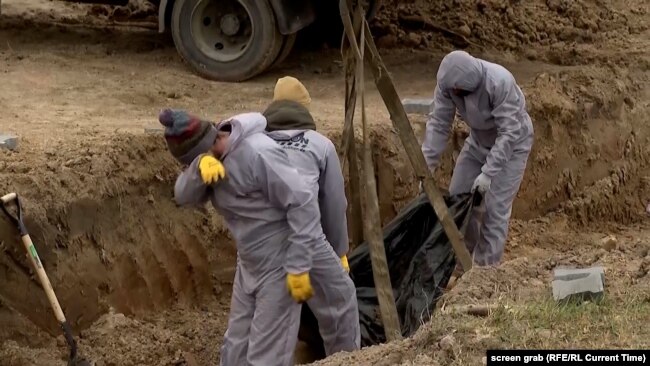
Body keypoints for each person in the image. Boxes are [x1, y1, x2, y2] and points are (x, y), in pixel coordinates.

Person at [159, 108, 358, 365]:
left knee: (329, 306)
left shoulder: (259, 153)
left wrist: (298, 265)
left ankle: (348, 360)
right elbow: (183, 195)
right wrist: (198, 169)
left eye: (196, 160)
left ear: (213, 139)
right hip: (251, 259)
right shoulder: (210, 163)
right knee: (237, 345)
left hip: (284, 252)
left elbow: (302, 203)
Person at [262, 76, 360, 356]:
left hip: (259, 240)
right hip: (303, 237)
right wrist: (339, 251)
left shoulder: (255, 143)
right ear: (305, 110)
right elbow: (334, 204)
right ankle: (344, 361)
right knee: (340, 301)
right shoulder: (320, 145)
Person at [421, 50, 534, 266]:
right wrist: (426, 168)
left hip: (513, 145)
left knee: (494, 209)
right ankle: (462, 260)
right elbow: (439, 123)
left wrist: (487, 174)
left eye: (459, 91)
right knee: (459, 196)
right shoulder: (448, 84)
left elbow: (509, 133)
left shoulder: (499, 82)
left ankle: (484, 271)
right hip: (478, 142)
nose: (455, 93)